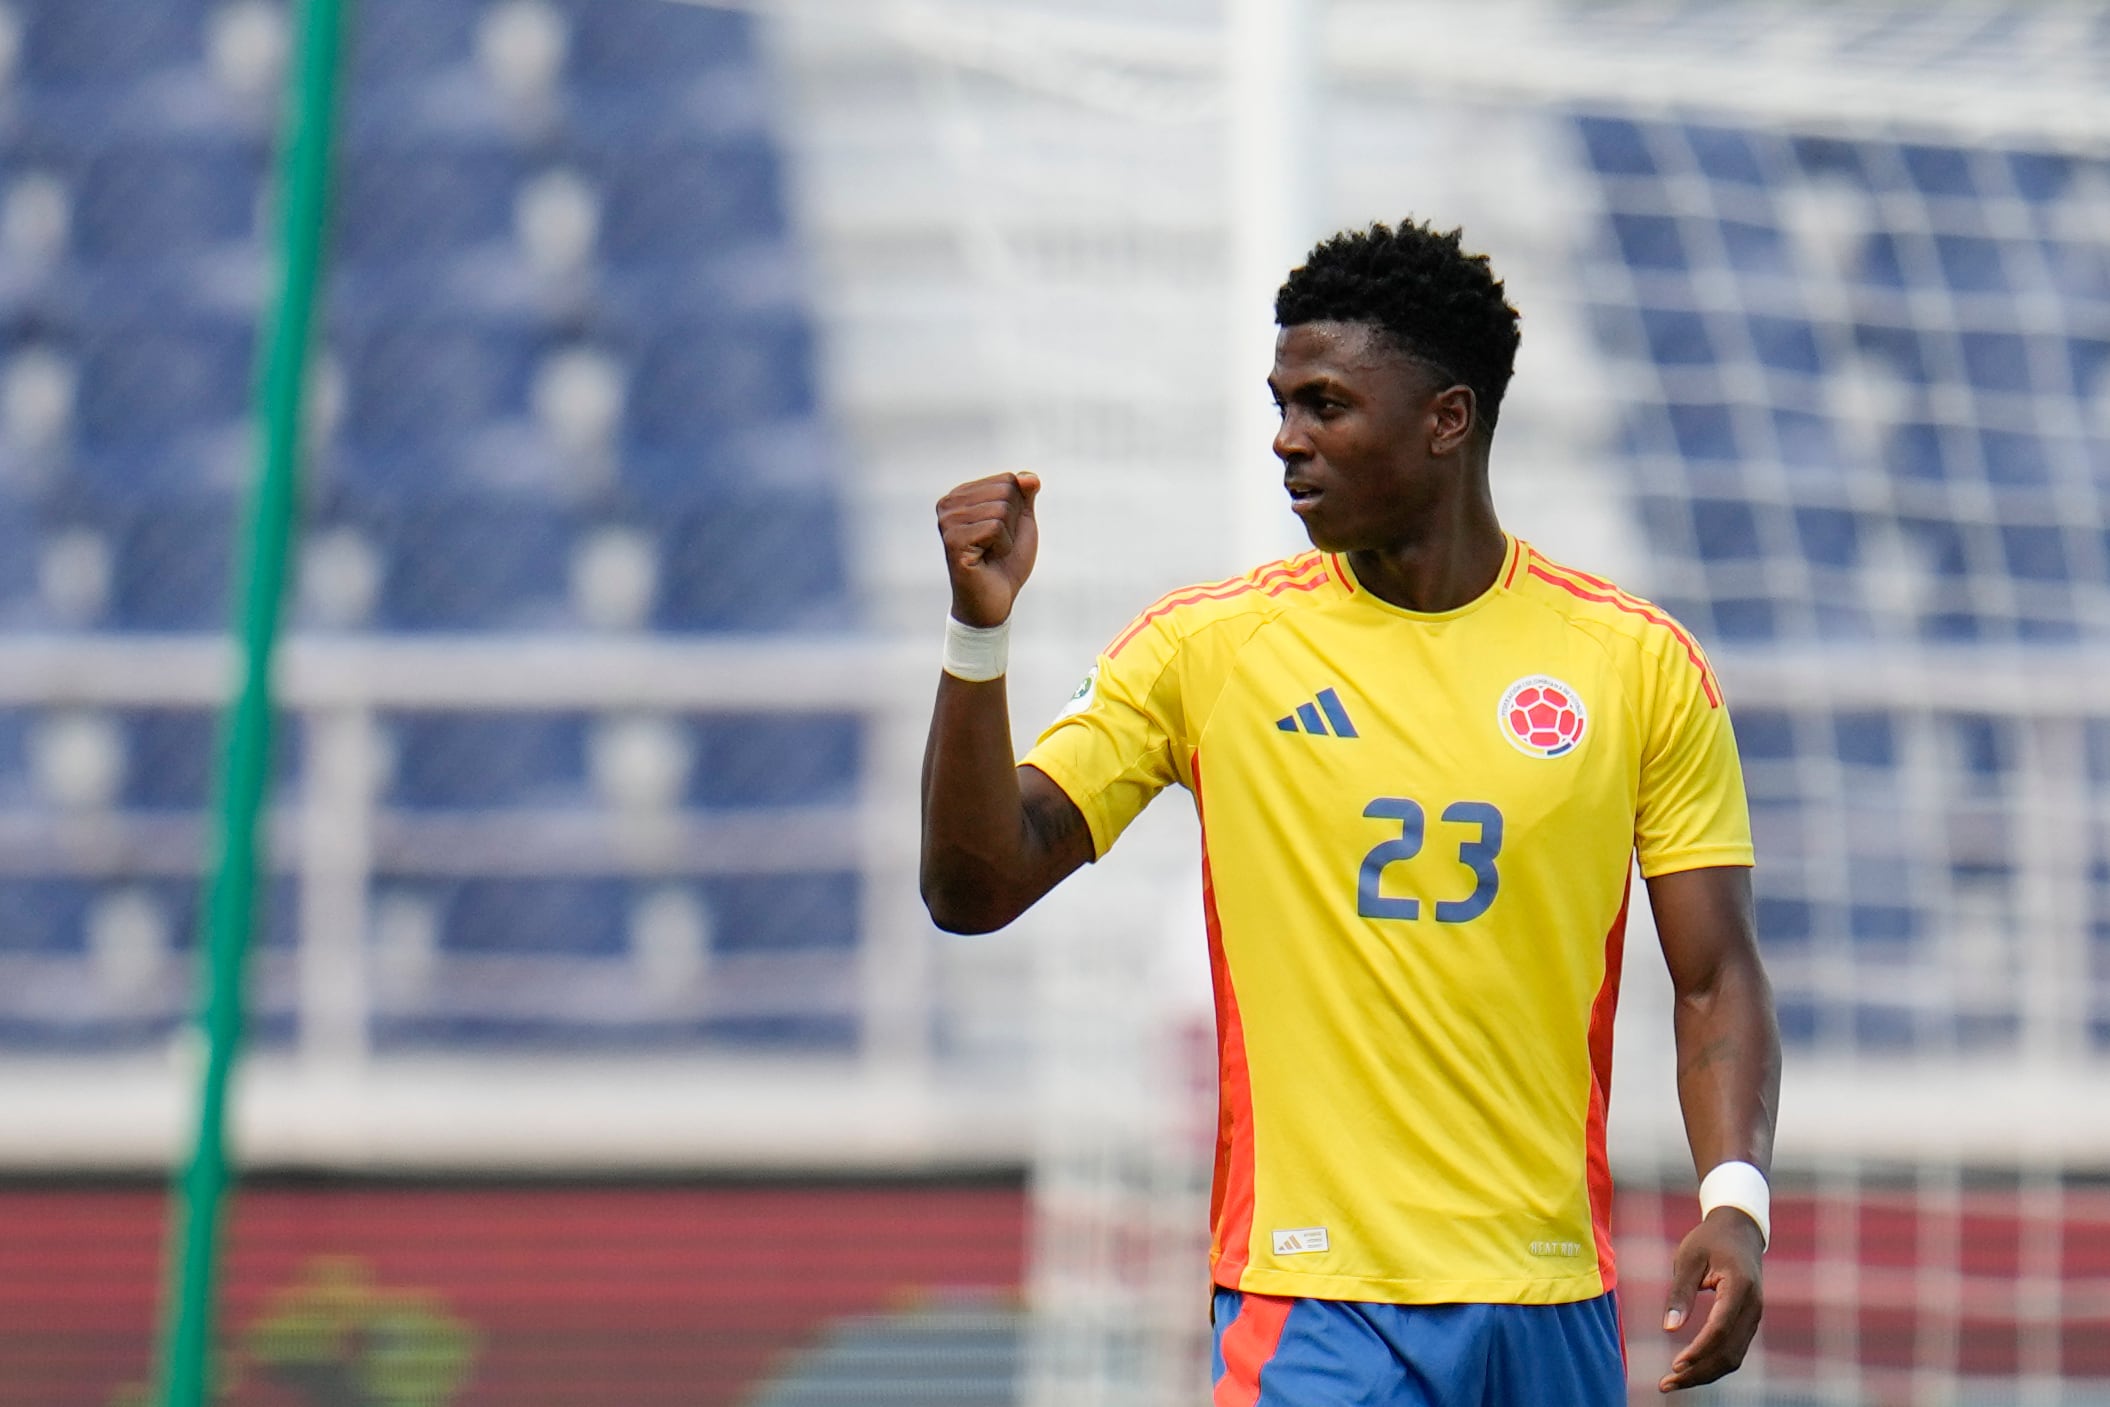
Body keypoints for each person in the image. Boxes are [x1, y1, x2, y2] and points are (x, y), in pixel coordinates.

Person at [919, 219, 1780, 1404]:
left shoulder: (1632, 666)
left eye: (1324, 405)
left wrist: (1734, 1202)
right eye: (1279, 403)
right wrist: (979, 637)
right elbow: (974, 885)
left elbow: (1712, 974)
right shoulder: (1211, 648)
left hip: (1546, 1301)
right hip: (1313, 1305)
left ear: (1446, 420)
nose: (1285, 441)